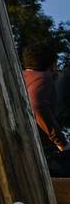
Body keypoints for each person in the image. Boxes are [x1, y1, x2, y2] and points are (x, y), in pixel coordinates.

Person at [22, 43, 70, 176]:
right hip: (43, 155)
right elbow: (36, 105)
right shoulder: (44, 78)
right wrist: (61, 142)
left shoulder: (19, 77)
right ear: (53, 64)